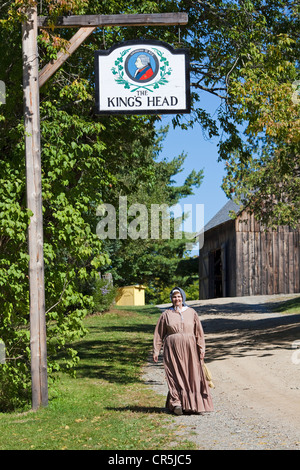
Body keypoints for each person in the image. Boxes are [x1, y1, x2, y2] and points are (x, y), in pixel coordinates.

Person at [153, 287, 213, 415]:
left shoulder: (192, 313)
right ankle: (177, 403)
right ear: (171, 299)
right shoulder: (166, 314)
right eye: (174, 297)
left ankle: (193, 404)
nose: (177, 299)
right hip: (172, 350)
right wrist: (156, 350)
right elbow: (159, 334)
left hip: (190, 350)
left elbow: (199, 333)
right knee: (174, 375)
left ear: (183, 298)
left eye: (179, 297)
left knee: (192, 375)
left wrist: (201, 348)